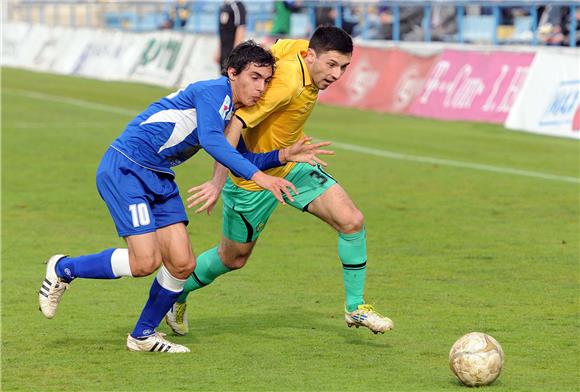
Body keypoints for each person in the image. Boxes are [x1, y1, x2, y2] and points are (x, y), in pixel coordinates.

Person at [38, 41, 333, 353]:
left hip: (159, 176)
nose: (261, 87)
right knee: (145, 262)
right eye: (255, 77)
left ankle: (142, 336)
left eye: (266, 81)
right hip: (126, 168)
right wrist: (258, 178)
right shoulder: (214, 91)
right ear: (233, 73)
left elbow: (234, 154)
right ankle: (64, 269)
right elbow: (211, 141)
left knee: (182, 263)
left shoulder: (232, 109)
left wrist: (284, 154)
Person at [166, 26, 394, 337]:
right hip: (252, 177)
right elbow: (234, 125)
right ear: (311, 56)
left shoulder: (300, 50)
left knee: (352, 221)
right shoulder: (285, 85)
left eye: (343, 67)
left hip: (291, 162)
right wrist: (217, 182)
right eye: (331, 65)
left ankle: (355, 307)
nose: (337, 74)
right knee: (232, 259)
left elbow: (277, 47)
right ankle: (175, 294)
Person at [216, 1, 246, 69]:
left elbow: (240, 28)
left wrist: (236, 53)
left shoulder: (238, 6)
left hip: (231, 52)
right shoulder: (224, 6)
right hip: (223, 52)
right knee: (223, 76)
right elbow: (222, 31)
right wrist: (218, 51)